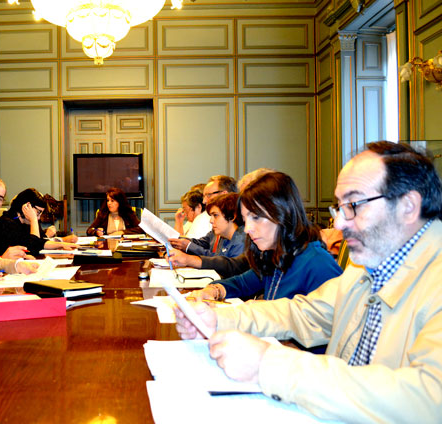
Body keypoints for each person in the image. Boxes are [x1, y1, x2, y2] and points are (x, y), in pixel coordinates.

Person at [175, 142, 442, 422]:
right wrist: (218, 319)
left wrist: (270, 365)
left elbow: (428, 399)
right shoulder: (365, 269)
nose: (339, 224)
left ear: (408, 206)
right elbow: (304, 312)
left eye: (353, 205)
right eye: (339, 207)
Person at [191, 172, 341, 301]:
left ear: (282, 213)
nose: (247, 229)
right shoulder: (274, 255)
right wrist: (214, 290)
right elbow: (242, 283)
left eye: (256, 217)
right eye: (246, 219)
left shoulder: (318, 263)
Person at [169, 193, 248, 278]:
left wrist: (189, 259)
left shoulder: (242, 241)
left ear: (232, 216)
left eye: (215, 215)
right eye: (211, 216)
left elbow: (229, 271)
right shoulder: (223, 235)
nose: (211, 221)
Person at [0, 188, 77, 256]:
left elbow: (40, 241)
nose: (39, 218)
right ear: (26, 206)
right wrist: (33, 219)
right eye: (38, 212)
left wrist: (62, 244)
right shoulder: (6, 223)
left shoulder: (25, 221)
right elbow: (33, 249)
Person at [169, 175, 237, 255]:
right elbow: (203, 242)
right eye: (204, 196)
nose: (204, 201)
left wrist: (188, 250)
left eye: (208, 195)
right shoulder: (217, 226)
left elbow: (220, 259)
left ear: (224, 194)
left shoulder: (237, 230)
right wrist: (178, 239)